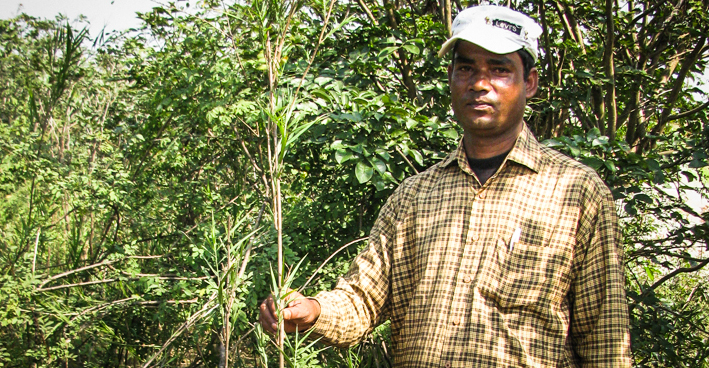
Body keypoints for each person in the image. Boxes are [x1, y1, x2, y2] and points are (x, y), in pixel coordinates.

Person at [259, 4, 631, 367]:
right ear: (451, 78)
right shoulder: (414, 196)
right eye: (466, 68)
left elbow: (605, 341)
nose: (480, 84)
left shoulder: (576, 192)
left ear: (528, 82)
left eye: (499, 69)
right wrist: (313, 311)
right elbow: (361, 300)